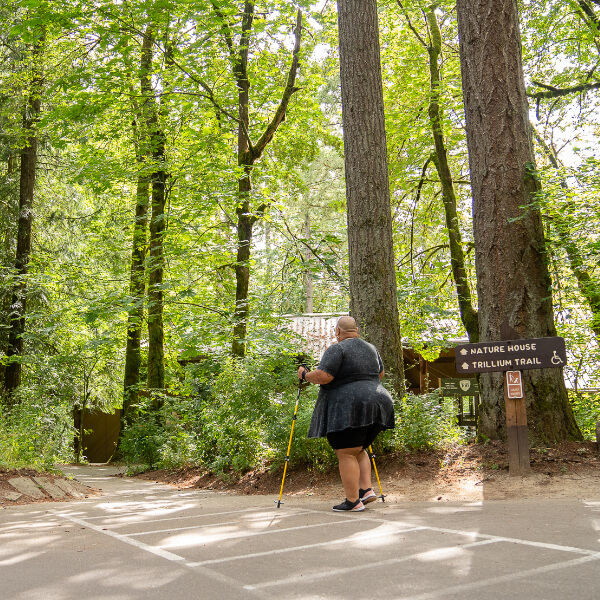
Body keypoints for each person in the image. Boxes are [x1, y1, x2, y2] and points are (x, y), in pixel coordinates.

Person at [298, 316, 395, 512]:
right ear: (357, 330)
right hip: (380, 402)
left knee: (346, 451)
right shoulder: (371, 348)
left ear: (337, 331)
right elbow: (380, 374)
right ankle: (366, 490)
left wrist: (304, 375)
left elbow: (324, 376)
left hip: (350, 405)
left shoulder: (337, 349)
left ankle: (353, 501)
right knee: (358, 449)